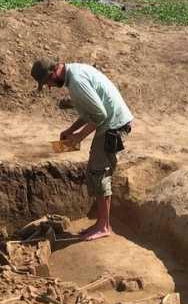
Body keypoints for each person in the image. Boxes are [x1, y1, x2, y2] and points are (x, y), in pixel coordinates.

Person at [31, 59, 134, 241]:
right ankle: (101, 223)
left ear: (54, 72)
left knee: (99, 172)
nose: (49, 87)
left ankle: (104, 226)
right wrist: (70, 130)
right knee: (95, 171)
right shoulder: (74, 75)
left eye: (48, 82)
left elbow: (100, 115)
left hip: (113, 125)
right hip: (110, 123)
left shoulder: (77, 82)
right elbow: (89, 113)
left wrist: (79, 137)